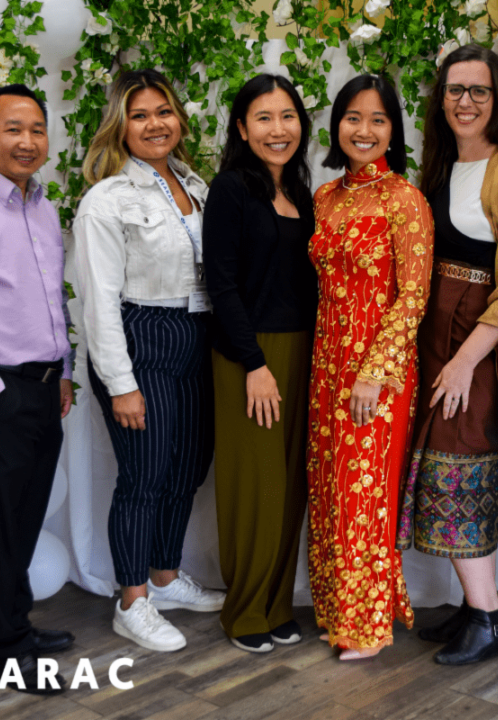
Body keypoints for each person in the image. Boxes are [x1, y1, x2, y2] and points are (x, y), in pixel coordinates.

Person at [395, 44, 498, 666]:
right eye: (455, 90)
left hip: (476, 346)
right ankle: (475, 605)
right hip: (432, 341)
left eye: (478, 90)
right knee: (437, 470)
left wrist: (468, 360)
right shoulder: (437, 165)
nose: (465, 102)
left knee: (464, 472)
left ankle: (489, 617)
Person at [74, 69, 224, 653]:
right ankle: (132, 601)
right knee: (145, 476)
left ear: (179, 118)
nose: (155, 124)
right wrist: (121, 383)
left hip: (196, 331)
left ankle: (165, 576)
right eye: (139, 115)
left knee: (187, 467)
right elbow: (98, 301)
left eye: (163, 111)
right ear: (120, 126)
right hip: (142, 335)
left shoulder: (197, 186)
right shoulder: (106, 200)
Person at [307, 75, 433, 660]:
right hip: (326, 365)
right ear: (337, 125)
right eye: (353, 118)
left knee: (366, 494)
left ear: (393, 130)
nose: (364, 130)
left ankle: (367, 623)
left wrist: (374, 370)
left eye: (378, 119)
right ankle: (335, 609)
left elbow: (413, 296)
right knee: (331, 490)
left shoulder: (404, 199)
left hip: (374, 372)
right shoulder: (325, 197)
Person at [0, 84, 75, 694]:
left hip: (44, 383)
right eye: (13, 129)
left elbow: (52, 299)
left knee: (24, 517)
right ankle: (6, 649)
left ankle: (9, 628)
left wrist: (67, 370)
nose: (28, 141)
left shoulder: (42, 207)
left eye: (37, 129)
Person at [203, 74, 317, 654]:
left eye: (288, 116)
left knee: (292, 486)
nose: (279, 129)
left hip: (303, 351)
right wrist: (253, 362)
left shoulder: (303, 192)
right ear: (243, 129)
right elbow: (220, 285)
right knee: (257, 486)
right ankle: (243, 610)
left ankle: (276, 604)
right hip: (249, 356)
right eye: (265, 118)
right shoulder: (229, 190)